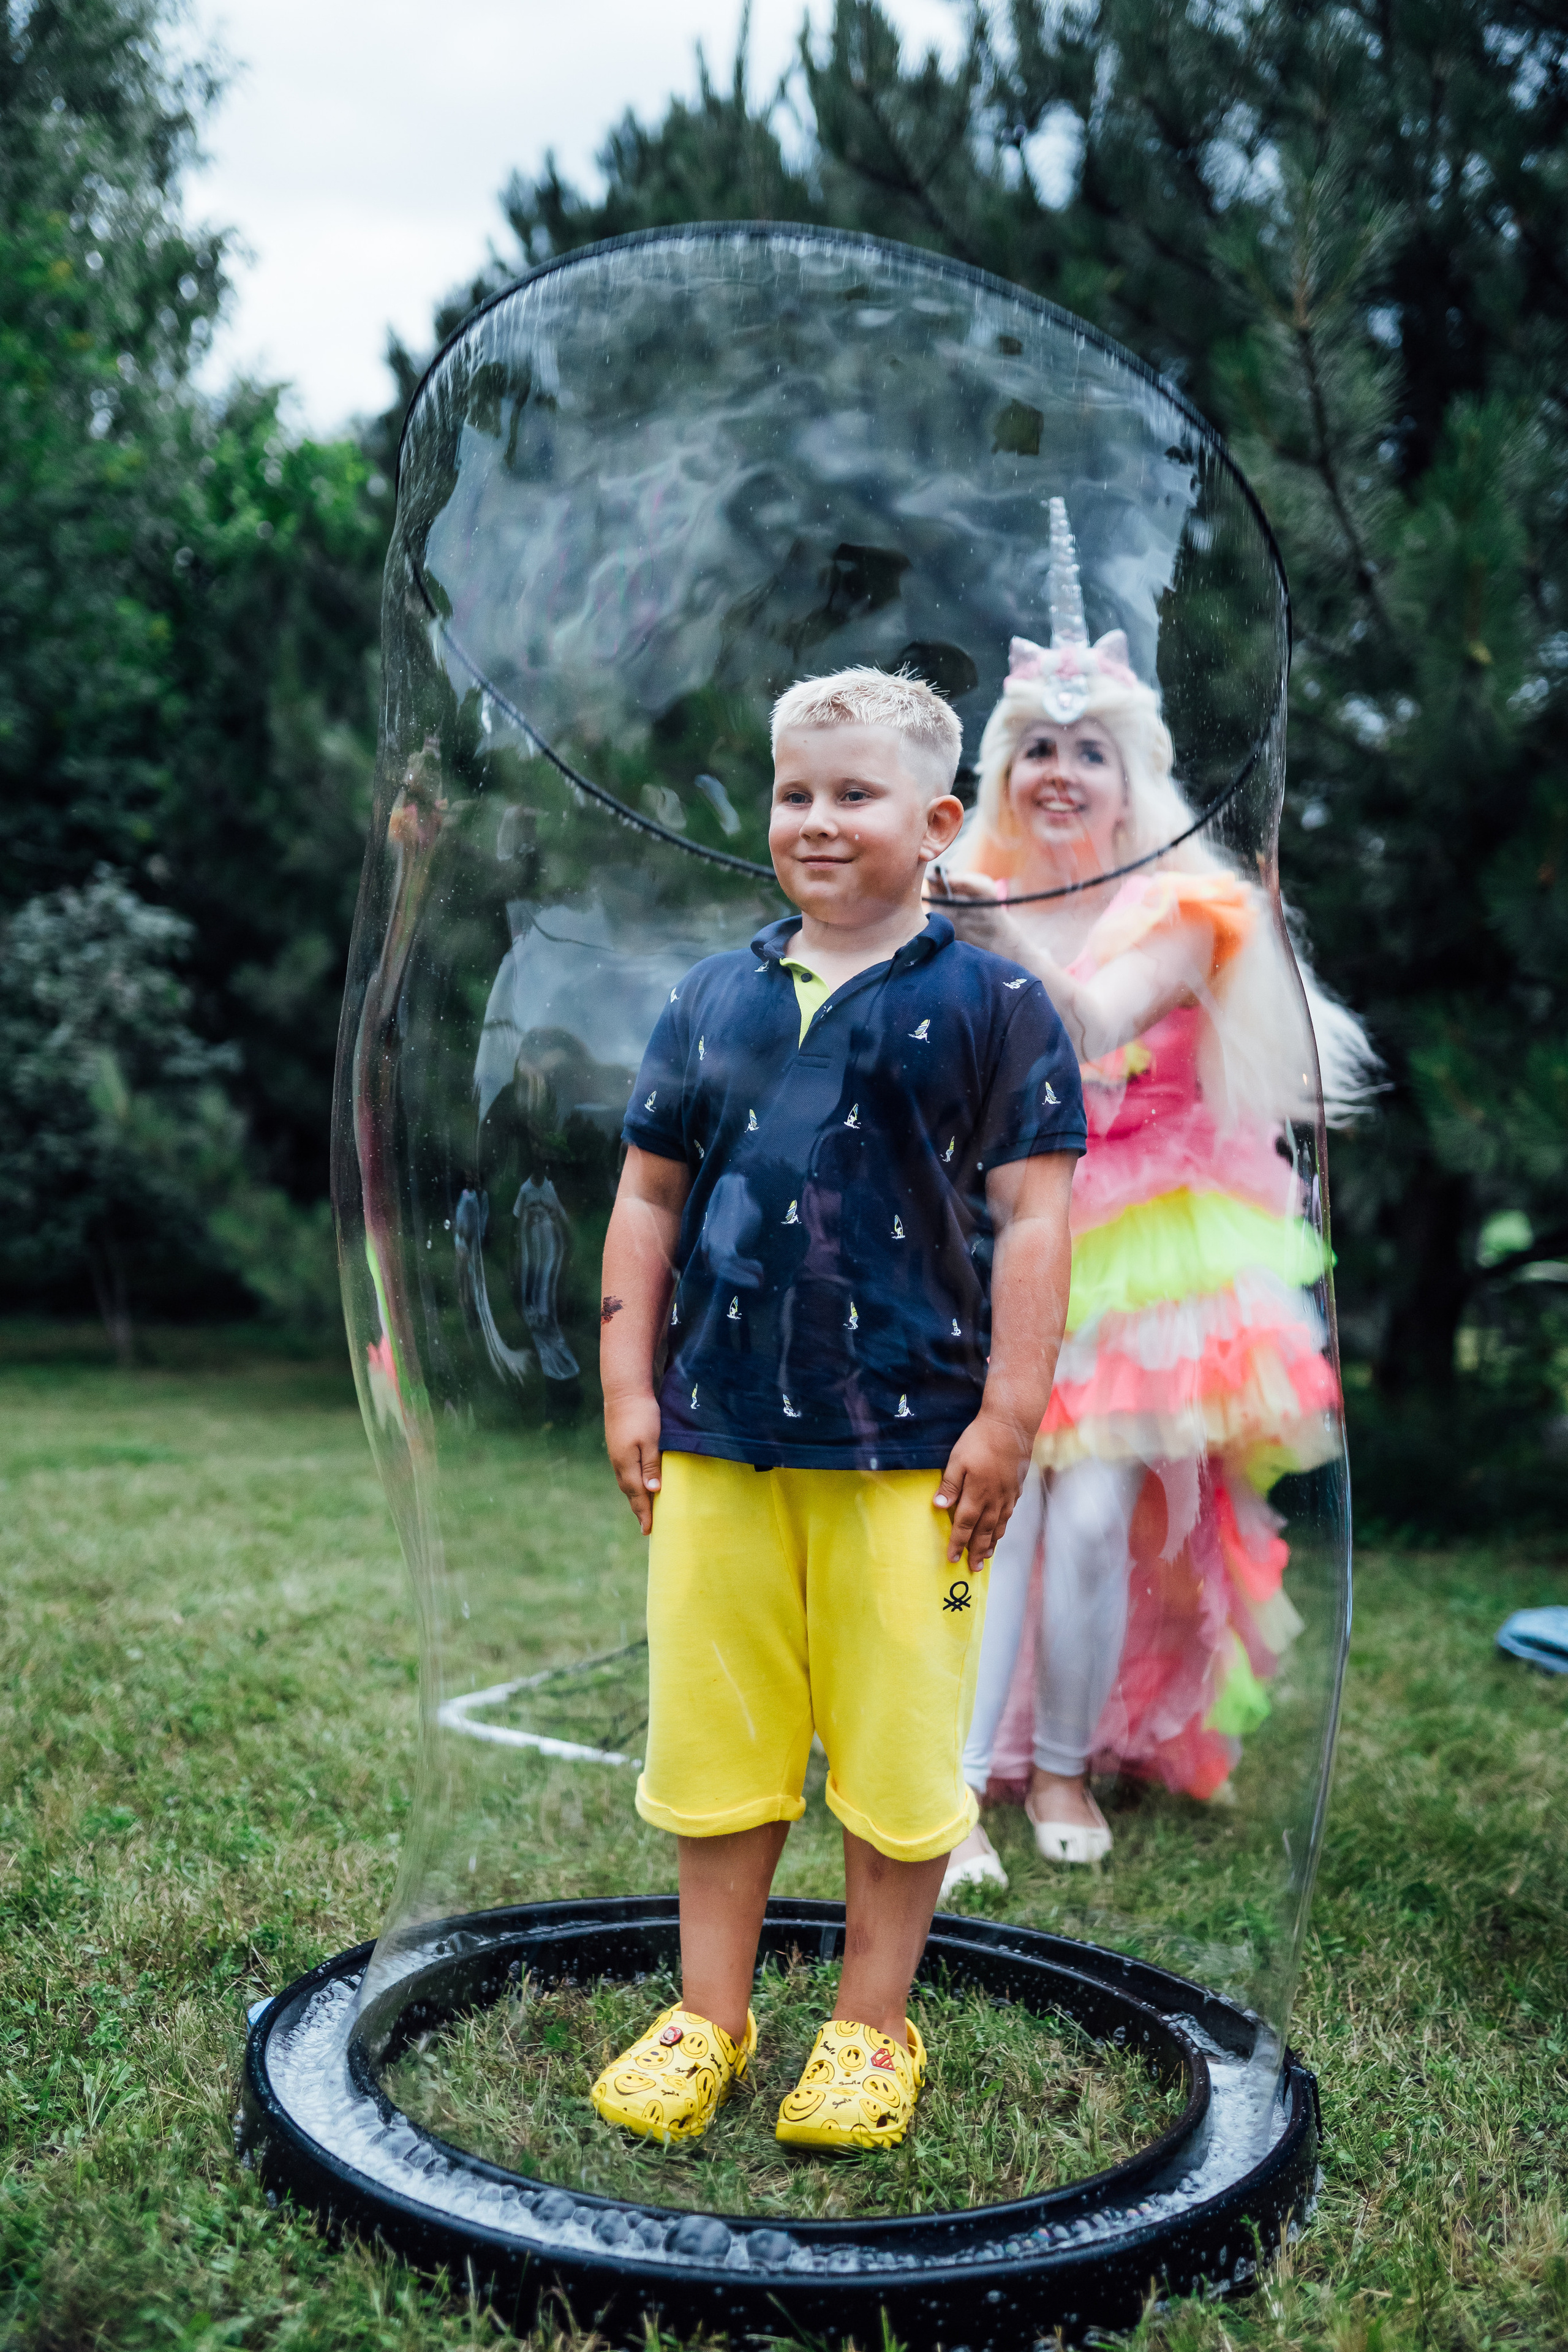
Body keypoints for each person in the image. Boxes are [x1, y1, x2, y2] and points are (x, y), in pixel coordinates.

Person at [590, 666, 1085, 2150]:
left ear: (936, 820)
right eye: (793, 791)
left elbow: (1037, 1223)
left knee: (890, 1754)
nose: (814, 820)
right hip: (720, 1439)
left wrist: (1005, 1421)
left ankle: (870, 2032)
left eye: (853, 794)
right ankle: (709, 2016)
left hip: (909, 1456)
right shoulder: (711, 995)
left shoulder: (996, 1002)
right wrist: (627, 1379)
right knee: (719, 1743)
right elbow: (642, 1198)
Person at [932, 500, 1374, 1892]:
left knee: (1081, 1510)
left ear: (1132, 775)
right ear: (1003, 770)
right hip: (1002, 1230)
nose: (1060, 773)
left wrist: (980, 930)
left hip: (1141, 1243)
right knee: (980, 1506)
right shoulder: (970, 885)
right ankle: (944, 1793)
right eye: (1036, 750)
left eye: (1088, 751)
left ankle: (1061, 1767)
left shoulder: (1188, 909)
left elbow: (1078, 1023)